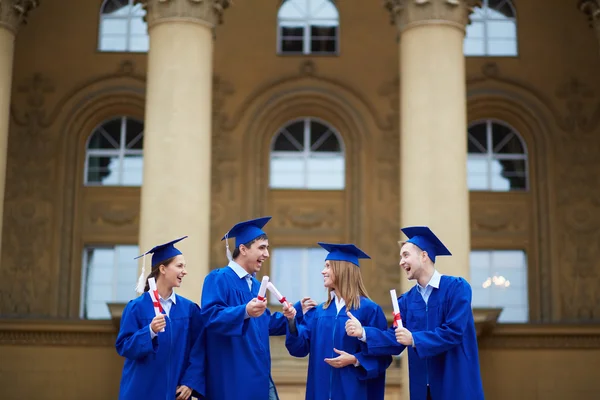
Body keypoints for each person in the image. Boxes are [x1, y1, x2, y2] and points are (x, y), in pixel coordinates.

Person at [345, 226, 484, 400]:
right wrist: (363, 332)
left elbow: (454, 332)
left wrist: (414, 339)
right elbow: (395, 339)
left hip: (454, 383)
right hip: (422, 389)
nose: (401, 262)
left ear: (424, 256)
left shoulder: (457, 288)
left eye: (405, 255)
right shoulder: (407, 301)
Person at [200, 216, 300, 400]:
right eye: (262, 248)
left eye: (267, 248)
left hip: (259, 375)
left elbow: (265, 323)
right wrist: (245, 311)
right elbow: (210, 317)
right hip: (233, 378)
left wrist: (294, 313)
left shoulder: (255, 286)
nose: (267, 254)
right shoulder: (218, 278)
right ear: (243, 249)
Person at [285, 242, 392, 400]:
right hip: (320, 393)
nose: (323, 271)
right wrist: (292, 321)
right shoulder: (319, 312)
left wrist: (355, 360)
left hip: (354, 393)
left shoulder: (369, 310)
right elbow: (298, 348)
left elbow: (383, 357)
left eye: (328, 266)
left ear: (343, 269)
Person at [116, 236, 206, 400]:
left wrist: (190, 382)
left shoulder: (189, 310)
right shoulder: (136, 307)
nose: (184, 271)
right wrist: (149, 331)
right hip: (141, 392)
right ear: (163, 269)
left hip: (174, 393)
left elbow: (199, 349)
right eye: (179, 266)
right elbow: (124, 347)